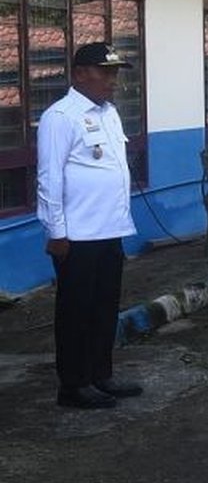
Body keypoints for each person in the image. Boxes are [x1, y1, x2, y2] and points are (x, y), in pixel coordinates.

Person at [37, 42, 141, 410]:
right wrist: (56, 232)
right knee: (76, 312)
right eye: (105, 72)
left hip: (109, 230)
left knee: (104, 308)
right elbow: (49, 178)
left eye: (115, 73)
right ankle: (74, 384)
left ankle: (101, 374)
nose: (113, 80)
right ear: (80, 74)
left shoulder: (109, 113)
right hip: (76, 236)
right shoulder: (60, 116)